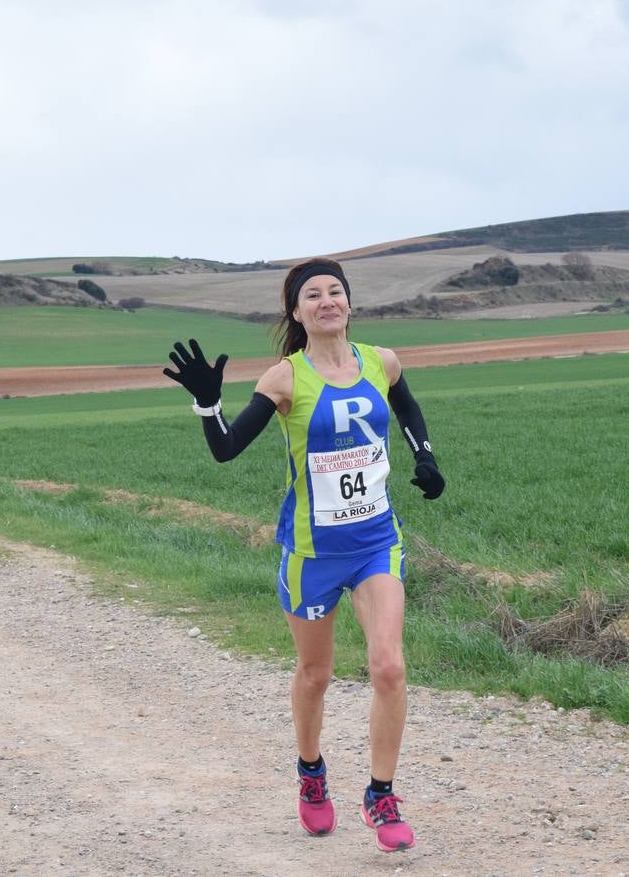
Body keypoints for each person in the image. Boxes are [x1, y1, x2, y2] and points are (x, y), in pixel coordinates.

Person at [163, 257, 445, 853]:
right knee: (316, 675)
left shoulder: (381, 362)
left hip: (375, 544)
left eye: (334, 291)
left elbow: (408, 409)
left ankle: (381, 793)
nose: (326, 301)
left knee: (388, 667)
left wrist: (426, 456)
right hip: (312, 554)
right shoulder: (285, 379)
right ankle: (312, 776)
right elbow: (227, 450)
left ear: (349, 302)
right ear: (296, 311)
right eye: (311, 295)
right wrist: (209, 406)